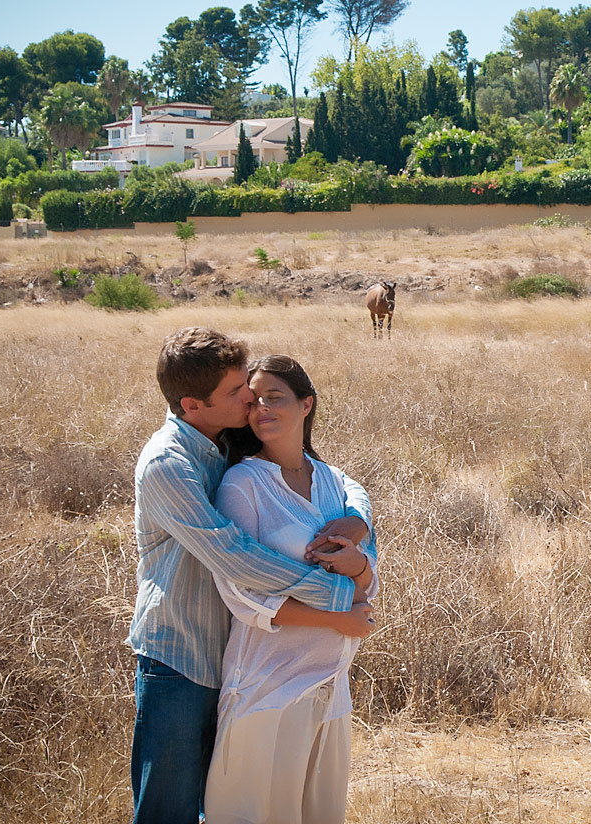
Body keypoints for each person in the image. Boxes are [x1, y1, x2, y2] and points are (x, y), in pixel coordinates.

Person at [129, 328, 370, 824]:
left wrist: (359, 516)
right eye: (238, 393)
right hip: (180, 656)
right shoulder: (167, 465)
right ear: (193, 404)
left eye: (251, 389)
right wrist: (334, 593)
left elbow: (329, 476)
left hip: (237, 657)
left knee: (224, 805)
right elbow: (233, 556)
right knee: (169, 810)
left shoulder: (221, 442)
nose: (250, 400)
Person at [204, 354, 378, 824]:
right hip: (268, 686)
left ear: (307, 405)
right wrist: (337, 619)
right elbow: (241, 594)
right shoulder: (242, 485)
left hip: (330, 683)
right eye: (254, 400)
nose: (262, 407)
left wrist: (358, 566)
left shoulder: (337, 485)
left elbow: (369, 577)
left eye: (275, 397)